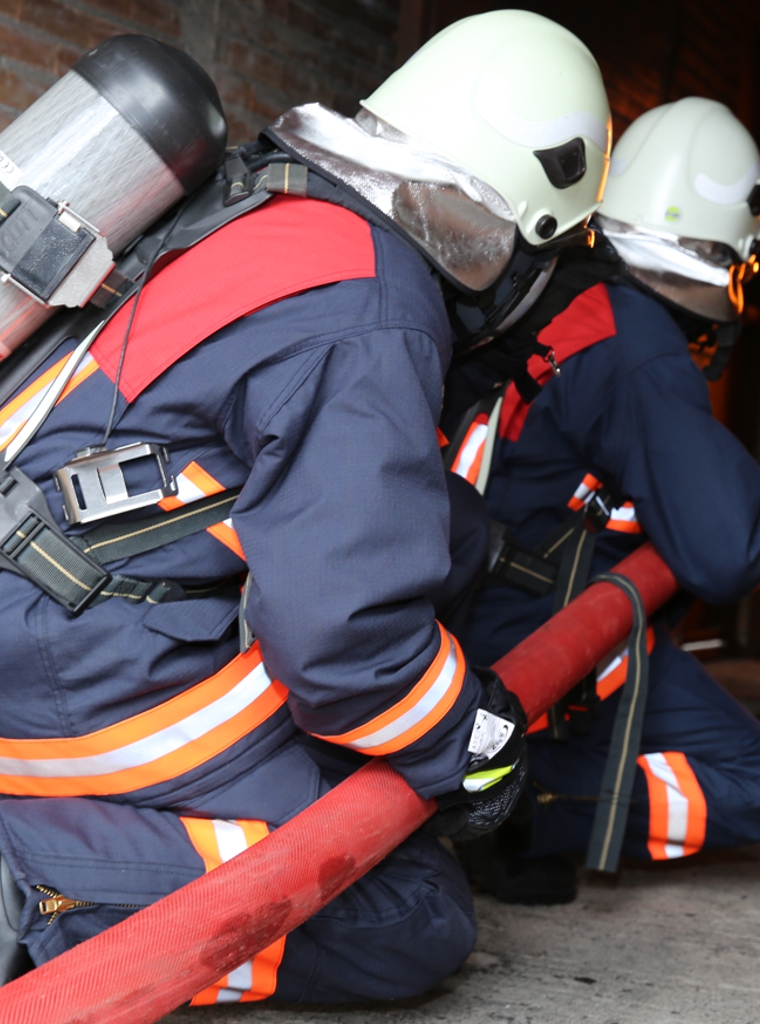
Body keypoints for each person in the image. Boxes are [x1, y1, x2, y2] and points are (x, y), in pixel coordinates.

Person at [0, 12, 611, 1003]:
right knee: (413, 912)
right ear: (515, 231)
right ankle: (49, 883)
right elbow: (343, 649)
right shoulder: (374, 303)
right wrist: (471, 740)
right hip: (71, 674)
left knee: (446, 534)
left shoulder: (276, 206)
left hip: (41, 595)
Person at [451, 96, 760, 906]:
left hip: (478, 607)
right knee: (751, 778)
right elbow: (724, 551)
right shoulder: (640, 349)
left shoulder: (565, 292)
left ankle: (495, 785)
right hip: (545, 634)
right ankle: (529, 806)